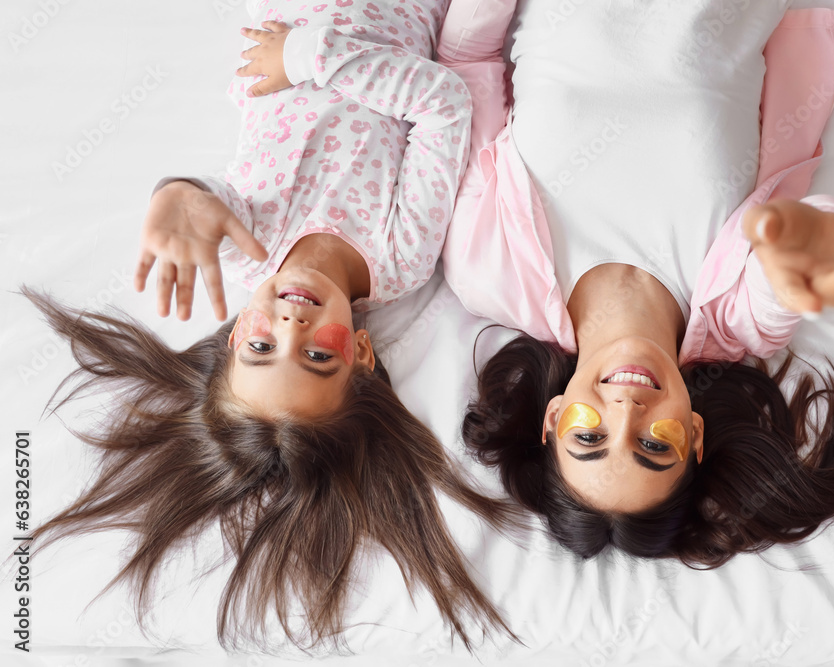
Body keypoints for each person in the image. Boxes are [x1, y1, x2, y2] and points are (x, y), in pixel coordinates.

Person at [25, 0, 519, 651]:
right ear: (363, 353)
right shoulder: (400, 255)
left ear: (235, 335)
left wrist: (176, 195)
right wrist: (309, 54)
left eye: (262, 346)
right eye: (318, 357)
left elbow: (209, 194)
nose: (291, 322)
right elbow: (443, 103)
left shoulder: (244, 243)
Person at [439, 0, 834, 562]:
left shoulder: (487, 269)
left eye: (590, 438)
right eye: (655, 445)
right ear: (697, 435)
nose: (628, 411)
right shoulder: (742, 315)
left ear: (554, 418)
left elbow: (467, 68)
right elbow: (805, 247)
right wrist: (821, 251)